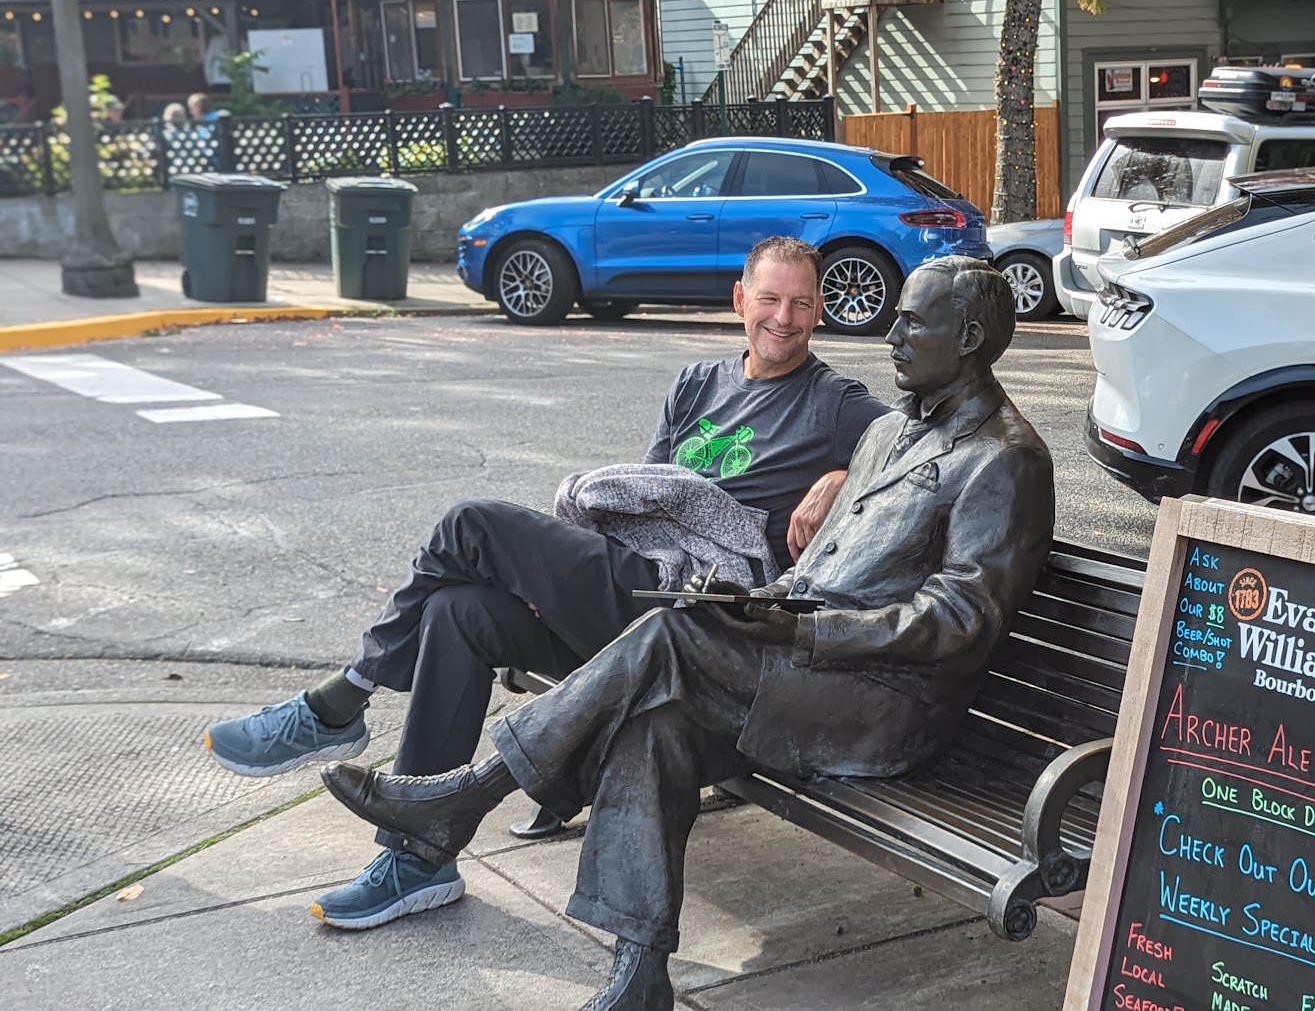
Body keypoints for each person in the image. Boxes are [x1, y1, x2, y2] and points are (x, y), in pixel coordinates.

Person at [319, 257, 1055, 1010]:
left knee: (669, 636)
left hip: (884, 705)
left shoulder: (1005, 458)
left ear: (967, 337)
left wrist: (804, 633)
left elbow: (961, 618)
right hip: (806, 664)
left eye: (914, 320)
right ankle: (639, 975)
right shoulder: (889, 433)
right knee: (656, 717)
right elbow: (824, 572)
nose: (892, 332)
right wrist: (757, 602)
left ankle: (467, 794)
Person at [202, 236, 888, 931]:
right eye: (770, 298)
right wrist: (554, 583)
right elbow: (644, 501)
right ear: (740, 299)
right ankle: (419, 858)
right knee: (459, 609)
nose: (784, 316)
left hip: (695, 619)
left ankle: (341, 701)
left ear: (820, 309)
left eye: (801, 302)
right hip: (628, 592)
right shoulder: (695, 384)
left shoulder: (833, 404)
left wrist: (846, 472)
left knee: (472, 524)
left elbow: (927, 439)